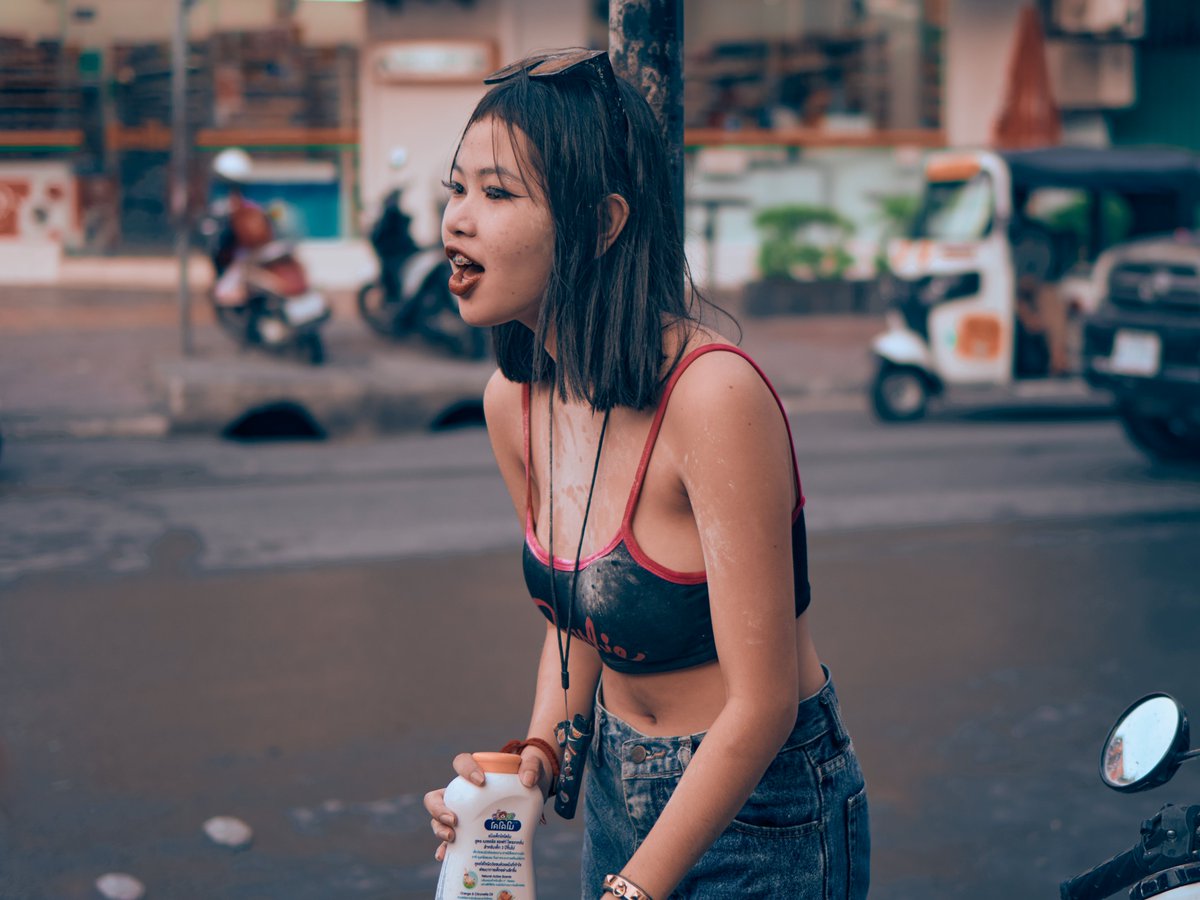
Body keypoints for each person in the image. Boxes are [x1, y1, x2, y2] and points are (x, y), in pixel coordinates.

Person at [422, 48, 870, 900]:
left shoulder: (713, 396)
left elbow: (765, 700)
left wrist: (634, 890)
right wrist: (530, 766)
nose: (457, 221)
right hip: (617, 798)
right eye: (456, 188)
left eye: (497, 193)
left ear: (601, 225)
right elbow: (579, 617)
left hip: (767, 811)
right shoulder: (511, 403)